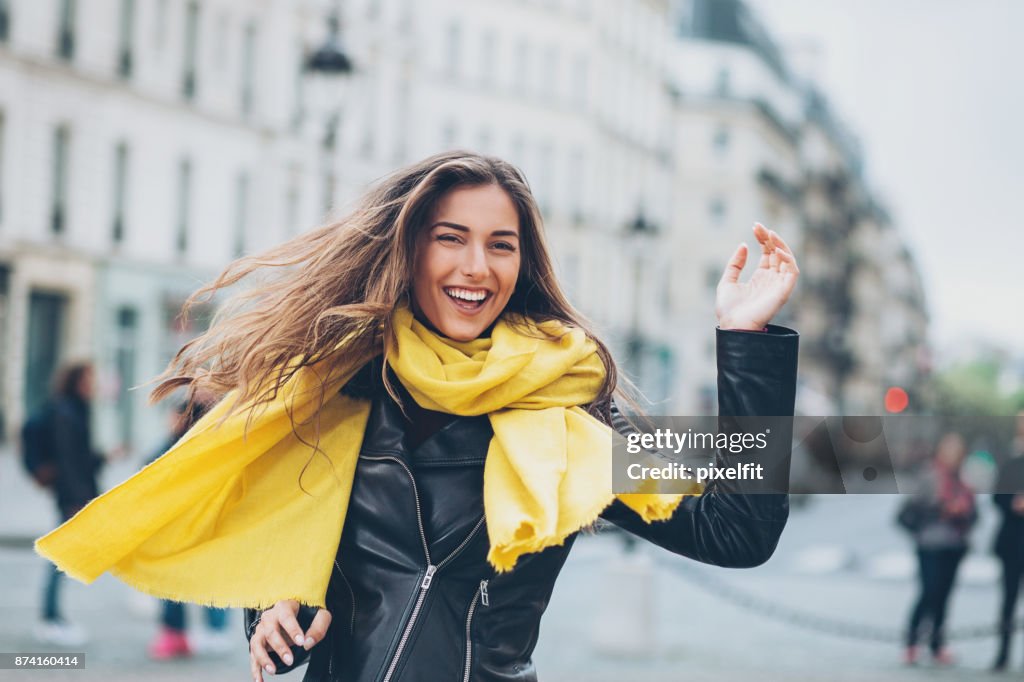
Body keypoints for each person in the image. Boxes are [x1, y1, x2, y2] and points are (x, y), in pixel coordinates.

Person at [35, 152, 800, 682]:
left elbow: (734, 531)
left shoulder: (568, 415)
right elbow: (294, 588)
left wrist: (745, 343)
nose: (477, 267)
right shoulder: (334, 394)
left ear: (522, 266)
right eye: (451, 239)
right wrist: (273, 618)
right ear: (408, 249)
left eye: (501, 246)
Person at [146, 397, 232, 660]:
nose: (168, 421)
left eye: (173, 415)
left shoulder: (192, 445)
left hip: (194, 525)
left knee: (203, 575)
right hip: (179, 527)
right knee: (178, 579)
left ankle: (209, 630)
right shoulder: (178, 444)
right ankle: (179, 633)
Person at [34, 362, 106, 647]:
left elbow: (81, 458)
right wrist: (76, 501)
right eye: (89, 379)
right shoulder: (66, 412)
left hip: (75, 495)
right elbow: (68, 462)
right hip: (71, 498)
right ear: (77, 381)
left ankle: (52, 617)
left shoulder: (76, 409)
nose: (93, 384)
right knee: (58, 559)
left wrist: (103, 457)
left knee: (60, 557)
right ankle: (50, 619)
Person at [901, 431, 978, 666]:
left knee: (944, 596)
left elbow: (974, 515)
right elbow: (908, 513)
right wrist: (940, 510)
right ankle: (912, 642)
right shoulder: (929, 476)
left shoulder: (963, 481)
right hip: (930, 545)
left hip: (954, 546)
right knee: (928, 592)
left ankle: (936, 645)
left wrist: (963, 513)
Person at [992, 411, 1024, 671]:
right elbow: (997, 496)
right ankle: (1003, 654)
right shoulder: (1010, 458)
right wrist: (1013, 503)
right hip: (1012, 542)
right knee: (1008, 601)